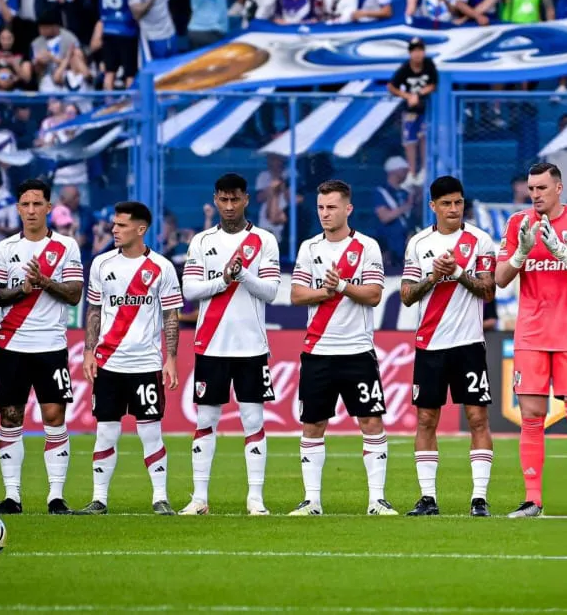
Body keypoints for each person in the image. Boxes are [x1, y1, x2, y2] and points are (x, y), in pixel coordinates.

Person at [495, 162, 567, 518]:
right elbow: (500, 278)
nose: (535, 194)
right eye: (532, 188)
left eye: (542, 187)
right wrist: (521, 254)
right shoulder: (517, 224)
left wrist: (563, 253)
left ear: (559, 188)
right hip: (530, 335)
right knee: (531, 416)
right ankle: (533, 500)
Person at [288, 180, 396, 516]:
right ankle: (312, 501)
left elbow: (375, 294)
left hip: (357, 352)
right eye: (320, 207)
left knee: (371, 422)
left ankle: (376, 500)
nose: (325, 213)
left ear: (348, 209)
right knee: (312, 425)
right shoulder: (309, 248)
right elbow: (296, 295)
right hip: (318, 352)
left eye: (331, 207)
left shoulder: (367, 247)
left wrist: (344, 285)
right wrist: (327, 292)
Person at [178, 174, 281, 517]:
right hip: (211, 344)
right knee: (206, 419)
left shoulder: (264, 240)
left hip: (251, 346)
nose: (229, 206)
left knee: (253, 421)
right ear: (216, 199)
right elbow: (189, 292)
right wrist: (222, 279)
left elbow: (271, 291)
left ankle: (255, 499)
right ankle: (199, 498)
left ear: (246, 199)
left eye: (235, 199)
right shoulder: (201, 240)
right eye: (223, 200)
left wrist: (243, 275)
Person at [78, 201, 183, 516]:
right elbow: (94, 309)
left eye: (122, 225)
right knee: (105, 431)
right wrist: (88, 351)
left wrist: (171, 358)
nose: (114, 229)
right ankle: (99, 499)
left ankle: (160, 498)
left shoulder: (161, 267)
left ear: (141, 229)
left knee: (150, 431)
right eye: (114, 224)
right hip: (109, 363)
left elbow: (171, 316)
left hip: (146, 364)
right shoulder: (101, 264)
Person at [400, 176, 496, 517]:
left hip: (469, 344)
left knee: (477, 417)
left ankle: (479, 498)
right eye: (446, 204)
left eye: (458, 202)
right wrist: (432, 277)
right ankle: (427, 498)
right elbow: (407, 296)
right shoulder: (418, 244)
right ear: (433, 207)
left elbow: (488, 292)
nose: (454, 209)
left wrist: (456, 271)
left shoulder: (480, 241)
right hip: (430, 344)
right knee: (426, 418)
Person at [0, 179, 84, 516]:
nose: (31, 210)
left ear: (48, 207)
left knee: (54, 416)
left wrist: (44, 281)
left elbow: (74, 294)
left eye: (37, 204)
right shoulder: (3, 250)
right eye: (25, 204)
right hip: (12, 343)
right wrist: (23, 290)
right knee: (10, 417)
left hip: (51, 344)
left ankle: (55, 497)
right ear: (18, 208)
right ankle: (12, 496)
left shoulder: (66, 247)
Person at [388, 37, 438, 188]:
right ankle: (412, 172)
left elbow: (433, 85)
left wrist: (419, 94)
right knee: (409, 140)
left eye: (420, 50)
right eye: (414, 51)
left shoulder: (429, 65)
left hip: (426, 108)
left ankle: (424, 169)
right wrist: (407, 96)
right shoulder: (405, 68)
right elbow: (391, 86)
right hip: (410, 110)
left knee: (423, 136)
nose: (417, 54)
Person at [95, 0, 139, 89]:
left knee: (110, 71)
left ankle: (108, 102)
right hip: (126, 29)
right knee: (130, 73)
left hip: (108, 27)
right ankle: (130, 103)